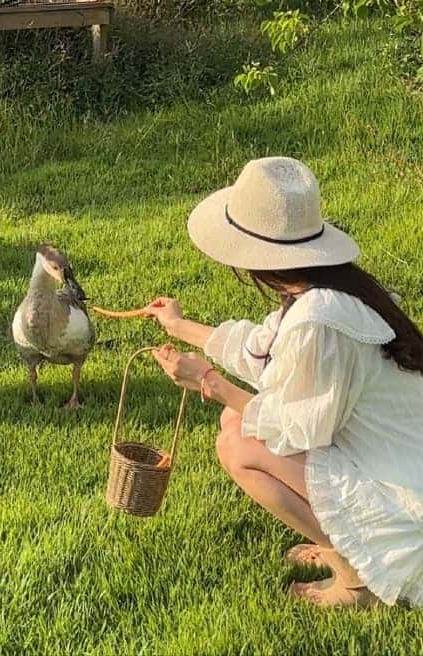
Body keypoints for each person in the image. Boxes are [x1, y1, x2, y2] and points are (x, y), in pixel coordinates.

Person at [146, 156, 423, 608]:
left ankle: (357, 577)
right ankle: (348, 543)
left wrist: (210, 382)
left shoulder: (320, 317)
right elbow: (267, 351)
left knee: (238, 445)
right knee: (237, 425)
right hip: (392, 460)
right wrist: (181, 327)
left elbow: (304, 430)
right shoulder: (331, 288)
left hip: (405, 494)